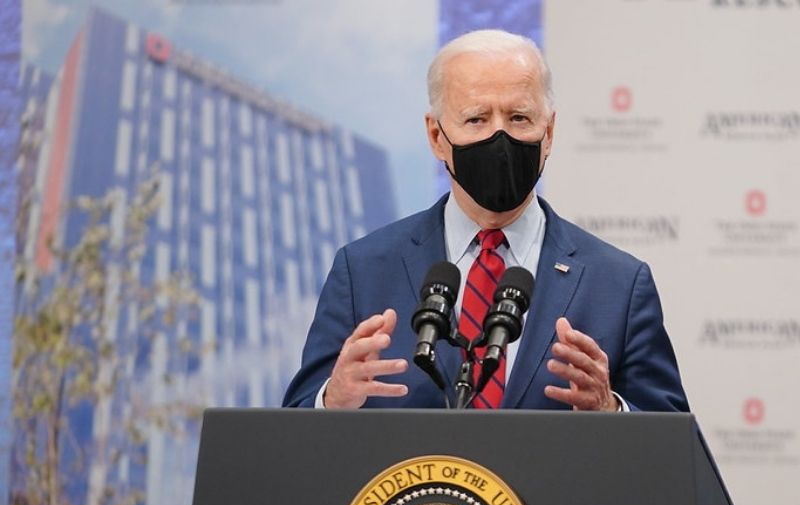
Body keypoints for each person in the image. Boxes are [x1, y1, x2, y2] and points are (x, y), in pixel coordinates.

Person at [281, 29, 687, 413]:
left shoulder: (618, 284)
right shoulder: (364, 271)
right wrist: (331, 401)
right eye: (477, 119)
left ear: (549, 132)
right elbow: (293, 434)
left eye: (519, 118)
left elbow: (671, 448)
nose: (500, 137)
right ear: (437, 136)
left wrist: (611, 411)